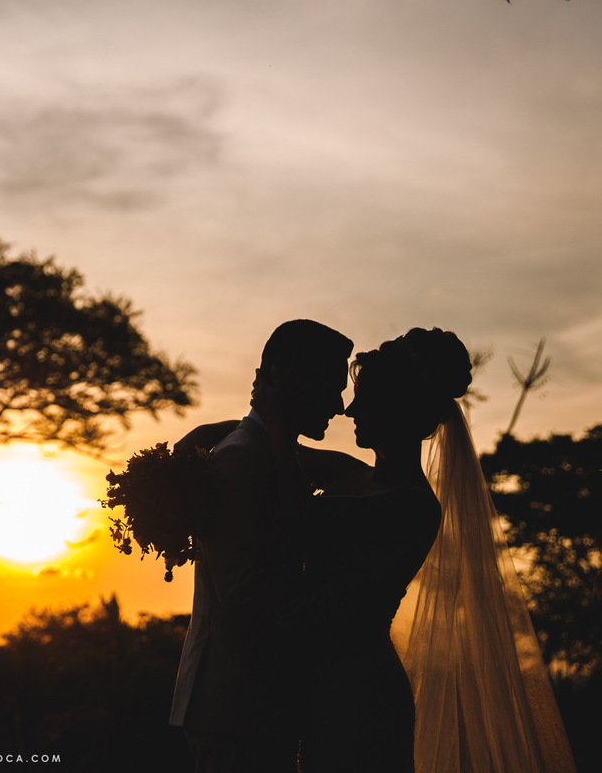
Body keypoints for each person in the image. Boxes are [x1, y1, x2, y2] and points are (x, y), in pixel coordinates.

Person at [219, 327, 577, 772]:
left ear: (398, 408)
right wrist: (204, 441)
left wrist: (274, 423)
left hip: (361, 693)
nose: (350, 410)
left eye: (365, 399)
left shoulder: (412, 506)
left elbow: (298, 519)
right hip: (321, 682)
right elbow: (266, 452)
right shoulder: (353, 473)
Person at [169, 319, 354, 773]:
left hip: (251, 706)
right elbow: (242, 589)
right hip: (236, 707)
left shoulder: (266, 453)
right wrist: (338, 616)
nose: (339, 405)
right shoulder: (240, 458)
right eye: (332, 386)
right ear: (290, 377)